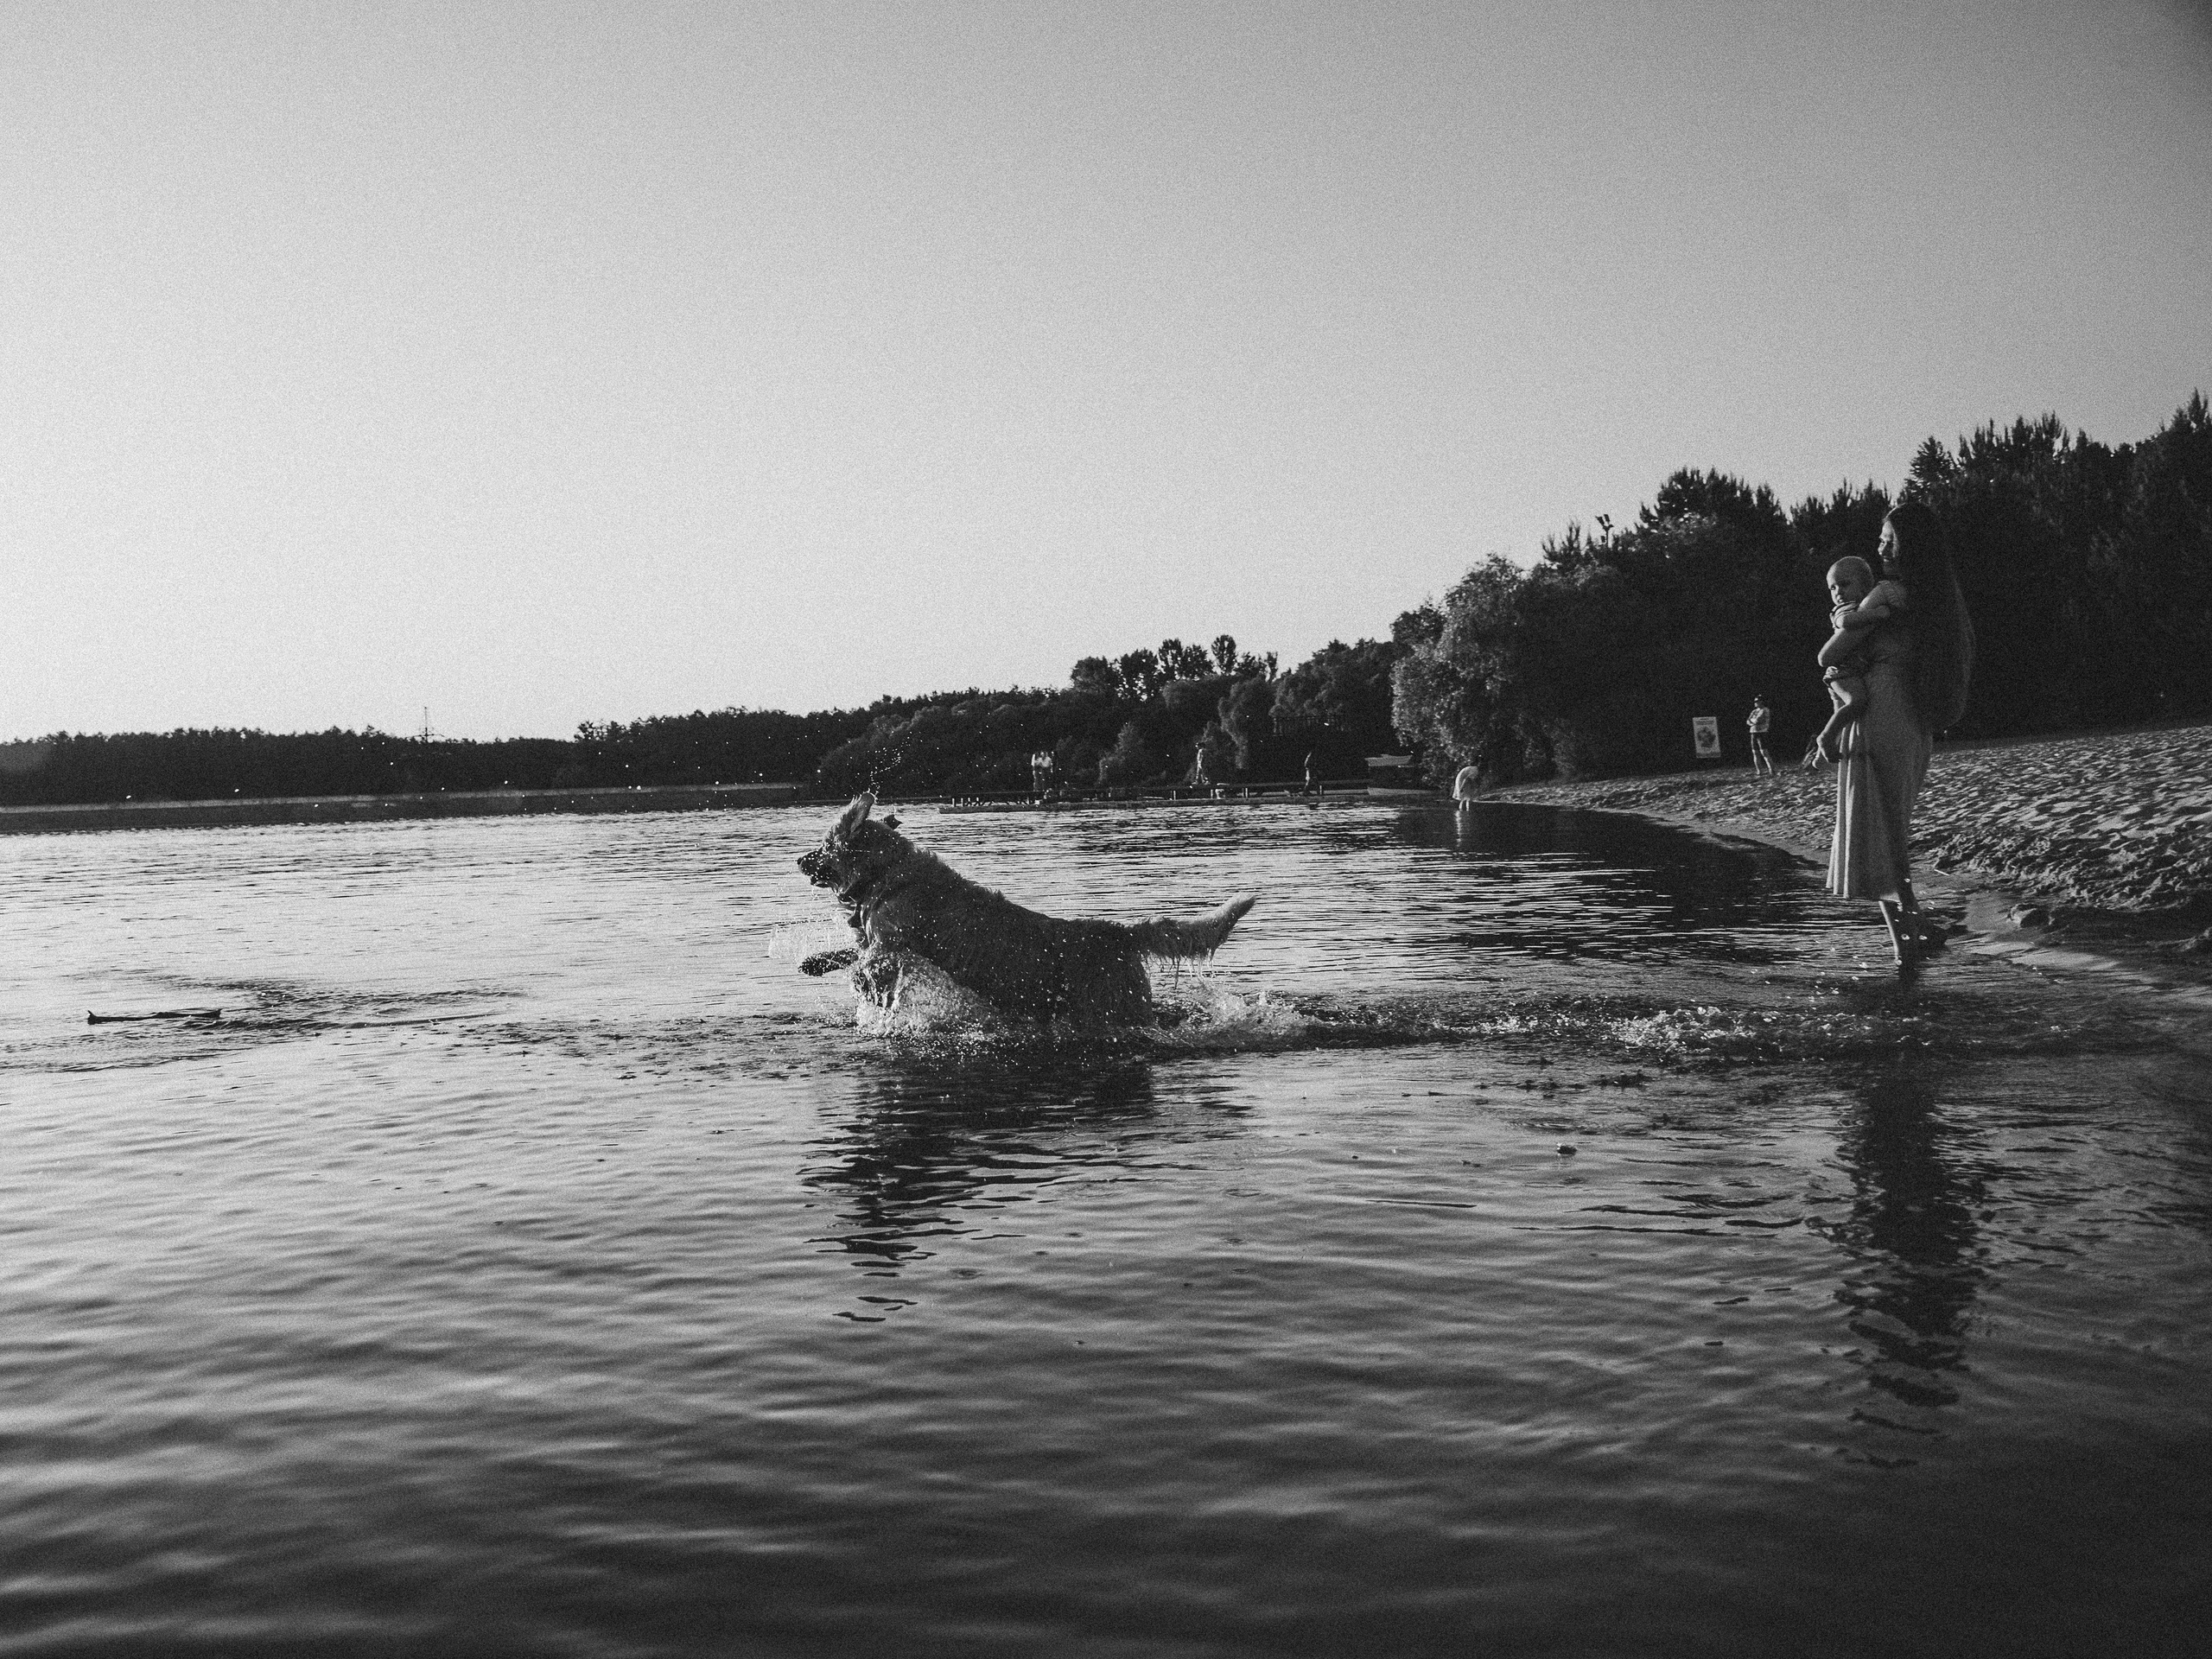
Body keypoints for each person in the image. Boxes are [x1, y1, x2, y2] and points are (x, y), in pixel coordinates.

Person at [1817, 500, 1974, 969]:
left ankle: (1910, 926)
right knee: (1885, 825)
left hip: (1883, 713)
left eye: (1888, 539)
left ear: (1909, 544)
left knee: (1880, 825)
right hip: (1909, 715)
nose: (1881, 546)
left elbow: (1829, 654)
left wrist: (1844, 623)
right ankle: (1907, 936)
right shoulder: (1933, 598)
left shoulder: (1887, 592)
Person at [1808, 559, 1909, 764]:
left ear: (1864, 586)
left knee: (1841, 716)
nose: (1837, 592)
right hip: (1843, 671)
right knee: (1856, 702)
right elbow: (1845, 623)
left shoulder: (1857, 605)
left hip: (1848, 671)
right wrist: (1878, 613)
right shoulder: (1844, 610)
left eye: (1844, 584)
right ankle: (1825, 739)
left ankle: (1821, 756)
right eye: (1832, 588)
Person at [1746, 696, 1775, 777]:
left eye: (1757, 702)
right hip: (1753, 732)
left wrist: (1752, 721)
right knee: (1755, 752)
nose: (1755, 703)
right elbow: (1748, 721)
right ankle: (1759, 771)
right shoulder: (1754, 711)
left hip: (1762, 732)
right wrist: (1752, 722)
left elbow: (1758, 720)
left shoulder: (1765, 710)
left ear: (1761, 702)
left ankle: (1771, 770)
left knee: (1764, 752)